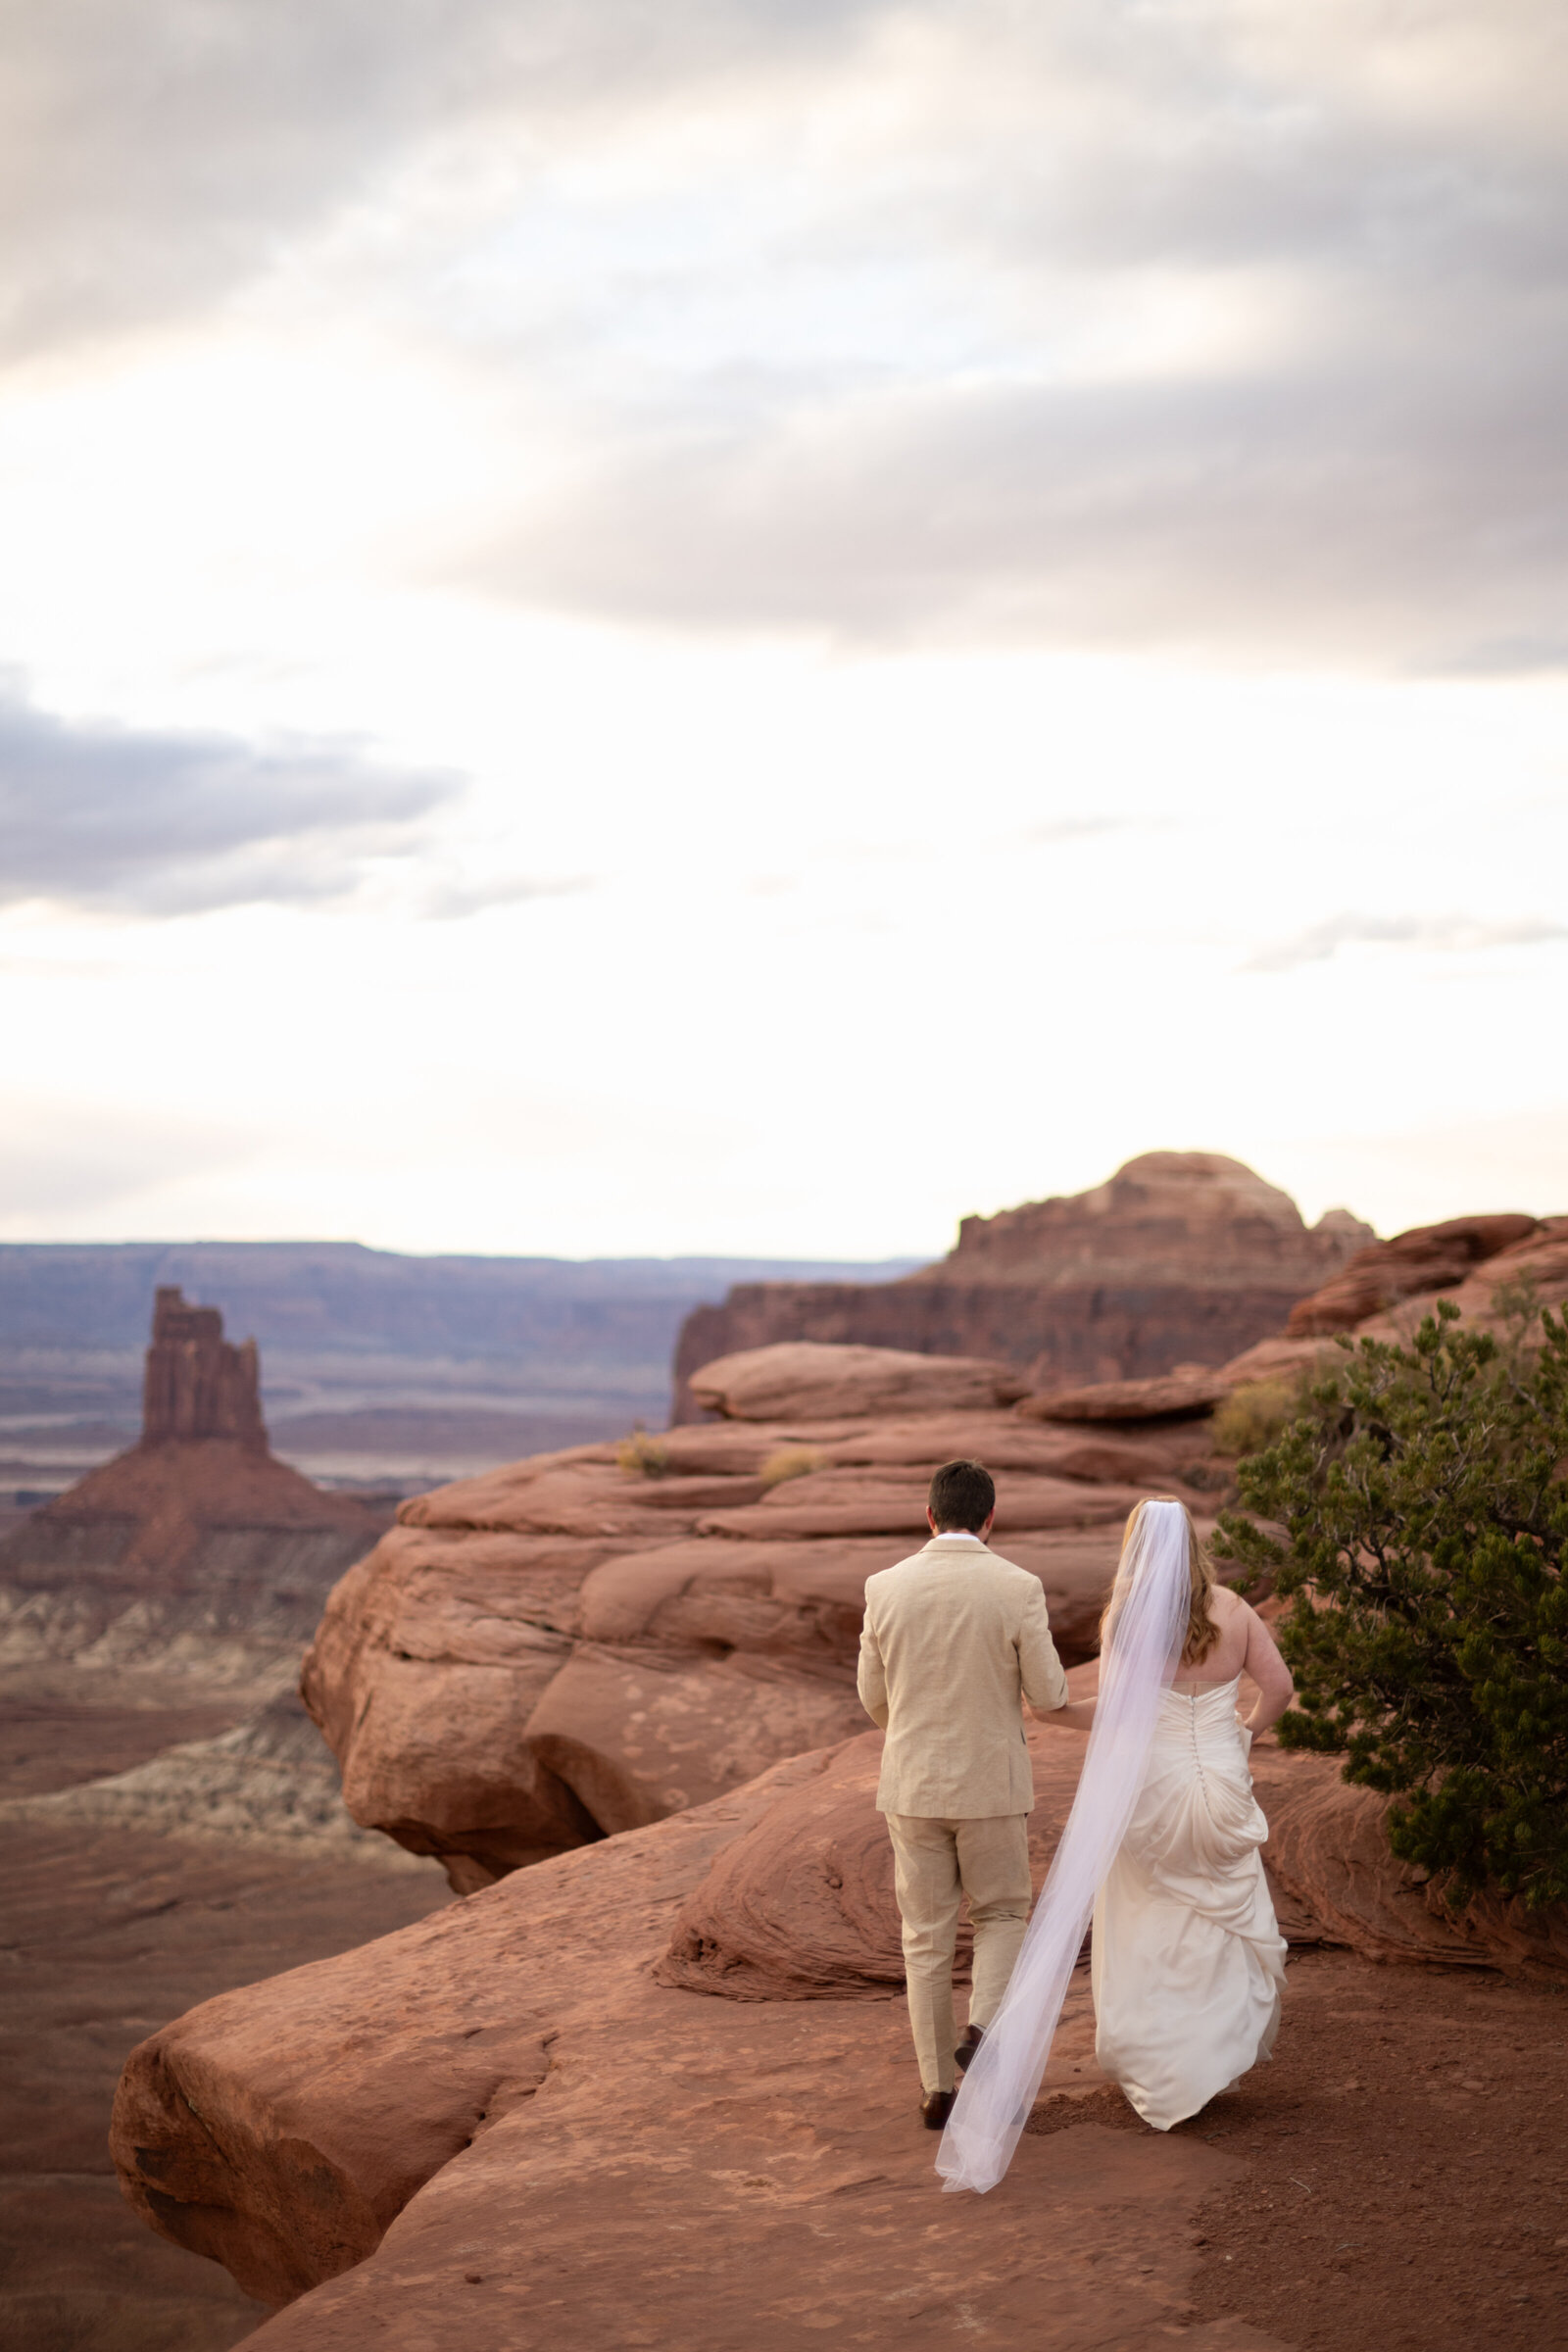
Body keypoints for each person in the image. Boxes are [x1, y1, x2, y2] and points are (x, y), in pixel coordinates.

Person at [937, 1496, 1294, 2194]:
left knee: (1148, 1921)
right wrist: (1244, 1733)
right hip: (1219, 1780)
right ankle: (1211, 2060)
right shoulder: (1236, 1610)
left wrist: (1057, 1712)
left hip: (1153, 1790)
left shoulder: (1130, 1613)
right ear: (1195, 1543)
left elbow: (1120, 1712)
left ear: (1135, 1547)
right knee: (1219, 1924)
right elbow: (1279, 1688)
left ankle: (1160, 2065)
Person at [858, 1457, 1069, 2130]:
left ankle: (937, 2091)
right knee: (1003, 1916)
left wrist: (916, 1734)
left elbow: (873, 1699)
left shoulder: (884, 1587)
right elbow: (1051, 1694)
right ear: (990, 1518)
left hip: (911, 1784)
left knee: (925, 1938)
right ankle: (981, 2034)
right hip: (992, 1786)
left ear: (929, 1515)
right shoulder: (1017, 1586)